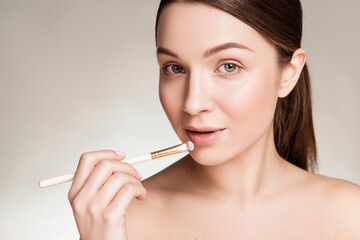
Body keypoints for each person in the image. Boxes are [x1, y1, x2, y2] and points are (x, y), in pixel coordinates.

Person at [67, 0, 360, 239]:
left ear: (289, 73)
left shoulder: (350, 217)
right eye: (174, 68)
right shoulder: (118, 220)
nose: (193, 104)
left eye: (228, 66)